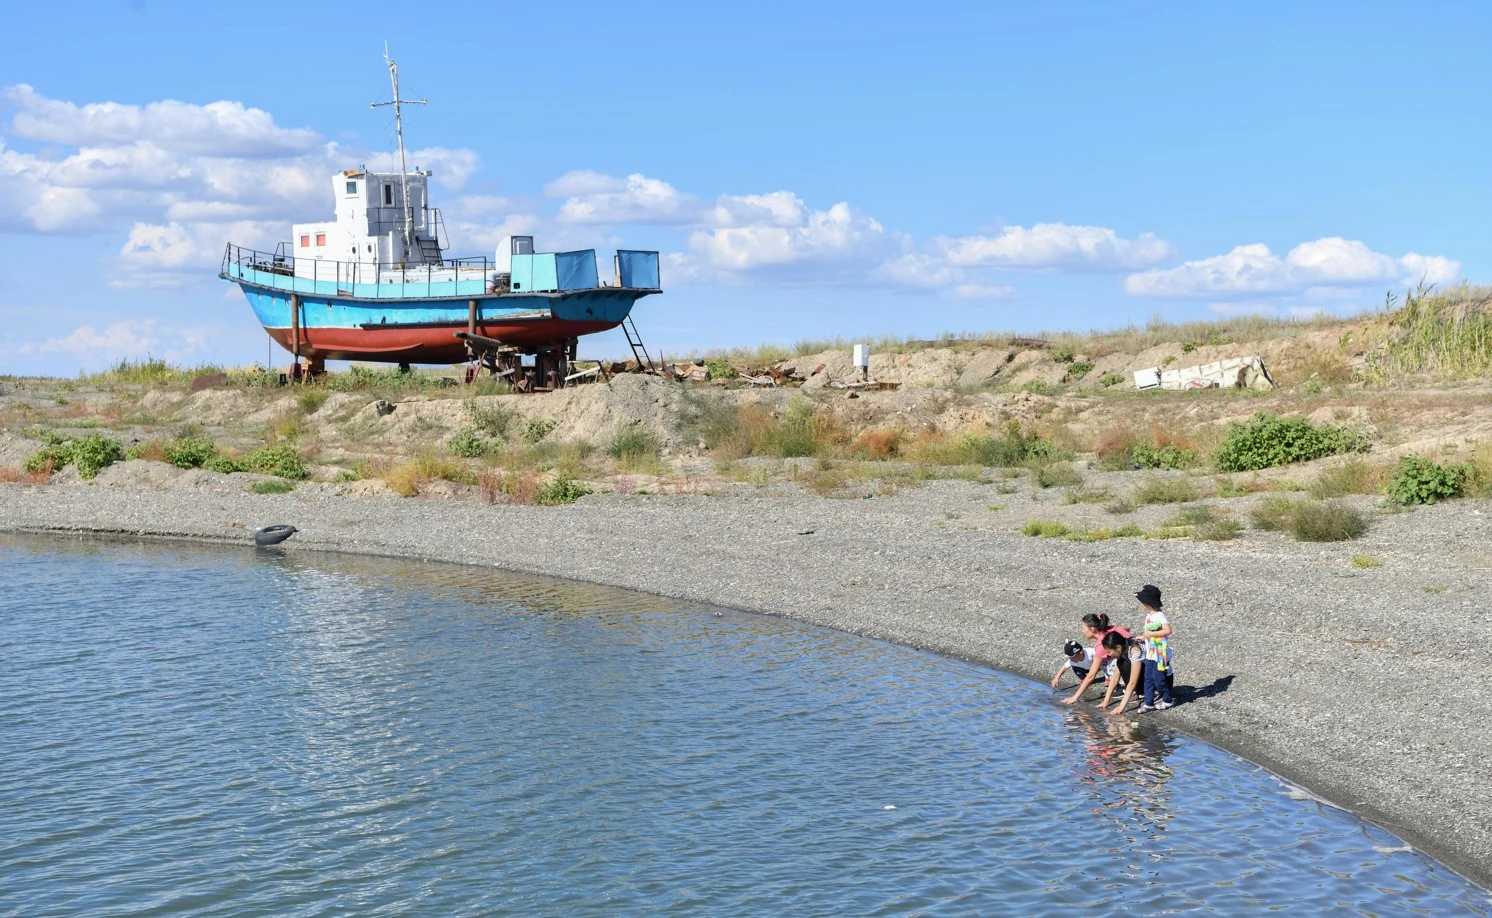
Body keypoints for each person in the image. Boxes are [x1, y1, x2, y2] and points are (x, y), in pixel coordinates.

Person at [1060, 613, 1131, 705]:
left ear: (1092, 629)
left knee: (1104, 662)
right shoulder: (1110, 628)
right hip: (1139, 654)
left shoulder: (1101, 644)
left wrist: (1074, 697)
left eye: (1083, 628)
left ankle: (1124, 685)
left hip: (1132, 661)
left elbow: (1091, 675)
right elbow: (1127, 629)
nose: (1082, 631)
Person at [1135, 584, 1175, 712]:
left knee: (1159, 679)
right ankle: (1148, 702)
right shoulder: (1149, 616)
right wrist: (1143, 637)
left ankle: (1167, 700)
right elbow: (1150, 631)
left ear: (1148, 603)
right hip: (1150, 653)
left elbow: (1168, 630)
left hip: (1159, 653)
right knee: (1148, 679)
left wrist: (1150, 634)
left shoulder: (1159, 615)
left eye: (1142, 602)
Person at [1098, 630, 1144, 714]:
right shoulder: (1123, 650)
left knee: (1125, 664)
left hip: (1159, 678)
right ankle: (1139, 692)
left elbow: (1132, 682)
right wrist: (1106, 701)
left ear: (1118, 647)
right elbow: (1115, 678)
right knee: (1121, 663)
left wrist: (1121, 707)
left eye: (1109, 652)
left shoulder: (1134, 650)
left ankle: (1148, 693)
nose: (1108, 655)